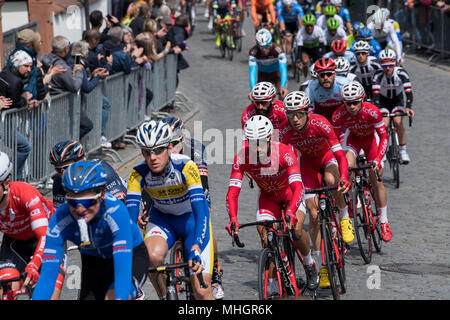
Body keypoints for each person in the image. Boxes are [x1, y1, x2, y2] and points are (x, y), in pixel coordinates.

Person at [226, 115, 319, 294]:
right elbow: (232, 192)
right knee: (267, 238)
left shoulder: (284, 152)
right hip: (268, 198)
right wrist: (233, 218)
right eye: (252, 142)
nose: (257, 147)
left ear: (269, 138)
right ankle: (276, 283)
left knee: (297, 230)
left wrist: (291, 211)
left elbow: (298, 186)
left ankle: (309, 264)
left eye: (261, 142)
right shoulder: (242, 157)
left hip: (290, 194)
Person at [33, 160, 149, 300]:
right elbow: (47, 278)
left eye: (88, 201)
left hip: (131, 256)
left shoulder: (116, 212)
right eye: (73, 202)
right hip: (93, 261)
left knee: (114, 296)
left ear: (102, 195)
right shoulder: (59, 219)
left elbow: (122, 274)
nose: (80, 209)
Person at [125, 120, 214, 300]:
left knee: (202, 292)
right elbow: (129, 219)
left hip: (191, 221)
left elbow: (202, 211)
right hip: (162, 220)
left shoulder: (186, 167)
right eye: (146, 152)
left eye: (158, 150)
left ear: (170, 149)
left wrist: (197, 244)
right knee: (150, 257)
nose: (152, 157)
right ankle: (166, 295)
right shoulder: (137, 174)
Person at [278, 91, 352, 289]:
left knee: (331, 179)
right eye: (291, 114)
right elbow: (284, 162)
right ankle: (322, 268)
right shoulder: (285, 131)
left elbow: (340, 156)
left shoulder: (320, 123)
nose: (295, 119)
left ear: (307, 112)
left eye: (300, 114)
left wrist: (343, 177)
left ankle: (344, 218)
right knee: (313, 212)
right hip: (308, 166)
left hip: (327, 158)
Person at [158, 116, 225, 299]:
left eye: (174, 143)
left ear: (182, 138)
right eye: (166, 144)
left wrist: (205, 209)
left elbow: (203, 187)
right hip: (172, 196)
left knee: (206, 228)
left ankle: (215, 272)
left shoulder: (195, 150)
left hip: (194, 191)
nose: (170, 149)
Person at [331, 81, 392, 242]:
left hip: (372, 141)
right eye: (348, 103)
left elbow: (384, 136)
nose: (351, 106)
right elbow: (336, 141)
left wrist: (378, 159)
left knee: (376, 177)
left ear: (362, 100)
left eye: (355, 102)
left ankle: (384, 220)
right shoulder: (338, 115)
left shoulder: (372, 111)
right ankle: (353, 196)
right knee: (347, 166)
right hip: (353, 141)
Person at [0, 152, 63, 299]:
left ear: (7, 183)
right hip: (15, 242)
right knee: (6, 293)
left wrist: (34, 264)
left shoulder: (25, 194)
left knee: (47, 295)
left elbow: (44, 236)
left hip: (48, 239)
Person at [49, 140, 127, 208]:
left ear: (81, 160)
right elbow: (59, 214)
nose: (63, 173)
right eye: (58, 169)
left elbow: (119, 206)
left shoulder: (102, 170)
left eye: (67, 168)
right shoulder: (58, 180)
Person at [372, 48, 414, 164]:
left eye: (390, 65)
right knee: (384, 124)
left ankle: (403, 151)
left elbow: (408, 92)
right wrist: (376, 109)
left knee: (397, 122)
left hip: (397, 101)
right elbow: (375, 95)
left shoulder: (401, 73)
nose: (388, 68)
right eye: (384, 66)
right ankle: (383, 152)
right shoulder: (378, 75)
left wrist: (408, 107)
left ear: (395, 63)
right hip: (383, 101)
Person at [0, 50, 37, 179]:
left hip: (5, 121)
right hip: (3, 122)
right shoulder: (16, 81)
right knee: (25, 146)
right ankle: (14, 178)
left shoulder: (5, 73)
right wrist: (25, 100)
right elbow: (15, 102)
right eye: (26, 66)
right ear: (17, 65)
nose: (29, 69)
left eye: (30, 66)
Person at [304, 57, 350, 122]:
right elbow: (308, 112)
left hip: (342, 119)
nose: (325, 78)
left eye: (329, 74)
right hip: (321, 121)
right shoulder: (310, 88)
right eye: (322, 75)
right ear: (317, 76)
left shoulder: (345, 84)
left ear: (335, 74)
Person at [249, 29, 288, 99]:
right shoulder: (253, 52)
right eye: (261, 47)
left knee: (282, 95)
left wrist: (283, 85)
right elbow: (252, 71)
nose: (264, 50)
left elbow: (283, 68)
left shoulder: (278, 49)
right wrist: (252, 89)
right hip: (263, 75)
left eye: (266, 47)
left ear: (270, 43)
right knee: (258, 98)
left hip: (276, 74)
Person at [295, 14, 326, 78]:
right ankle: (305, 78)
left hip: (316, 48)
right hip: (305, 49)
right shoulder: (300, 32)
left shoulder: (318, 30)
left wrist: (321, 55)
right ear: (304, 26)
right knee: (305, 62)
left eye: (311, 25)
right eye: (307, 26)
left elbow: (322, 46)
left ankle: (316, 78)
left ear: (313, 25)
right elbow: (299, 48)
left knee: (318, 64)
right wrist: (298, 60)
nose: (309, 28)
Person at [278, 0, 304, 65]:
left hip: (295, 24)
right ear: (284, 6)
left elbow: (302, 20)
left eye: (290, 7)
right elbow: (282, 24)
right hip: (287, 25)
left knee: (299, 36)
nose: (288, 9)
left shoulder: (297, 7)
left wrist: (301, 30)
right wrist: (284, 32)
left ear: (292, 5)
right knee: (288, 39)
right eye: (286, 7)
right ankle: (288, 58)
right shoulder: (281, 10)